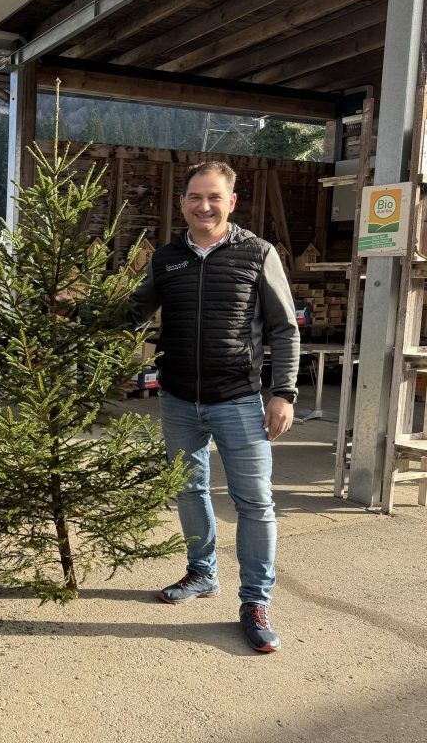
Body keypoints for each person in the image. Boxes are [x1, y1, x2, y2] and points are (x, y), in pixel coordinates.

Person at [124, 161, 299, 653]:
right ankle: (202, 574)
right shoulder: (166, 260)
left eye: (214, 198)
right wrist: (78, 315)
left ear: (231, 202)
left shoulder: (257, 254)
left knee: (255, 504)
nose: (204, 206)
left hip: (240, 401)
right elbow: (133, 311)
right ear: (182, 203)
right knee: (188, 489)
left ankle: (255, 602)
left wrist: (283, 393)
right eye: (196, 197)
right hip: (179, 398)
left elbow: (285, 328)